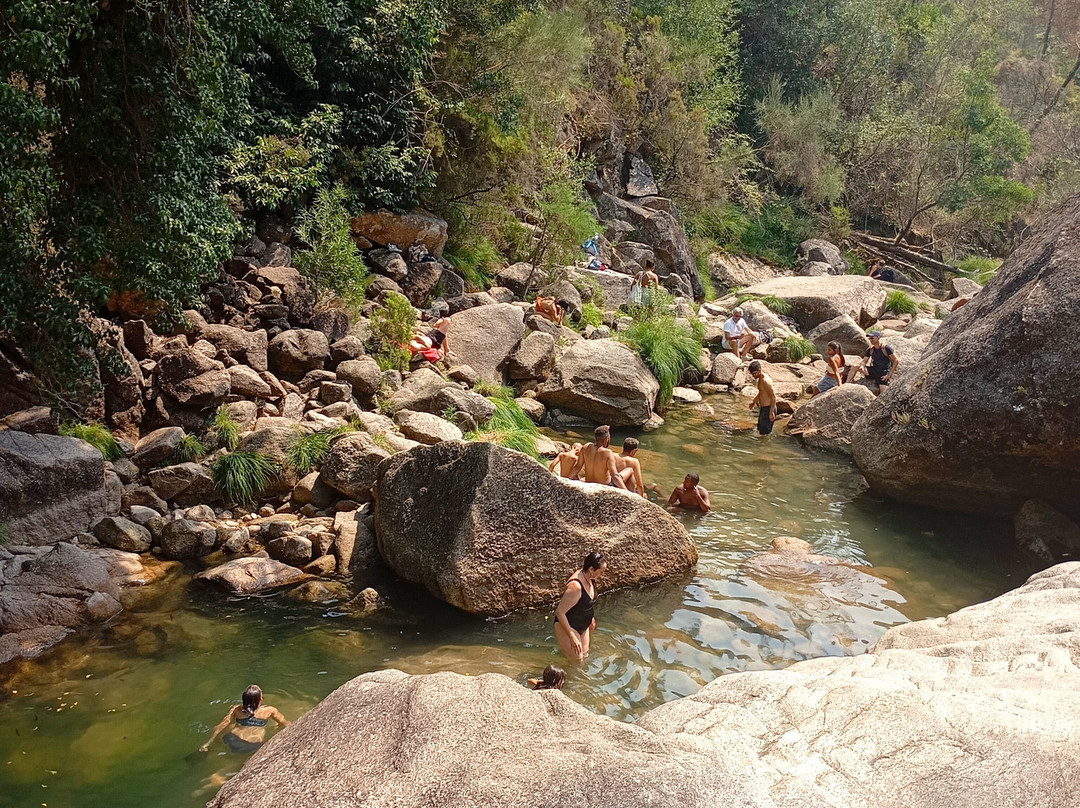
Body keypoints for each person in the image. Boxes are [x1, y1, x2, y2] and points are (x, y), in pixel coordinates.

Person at [200, 685, 289, 754]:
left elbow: (221, 726)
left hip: (231, 740)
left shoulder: (236, 710)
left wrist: (208, 742)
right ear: (261, 699)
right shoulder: (269, 711)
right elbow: (285, 723)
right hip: (252, 744)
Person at [554, 551, 607, 661]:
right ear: (592, 569)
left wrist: (591, 617)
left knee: (585, 656)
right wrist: (571, 636)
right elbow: (560, 612)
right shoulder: (576, 586)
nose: (603, 575)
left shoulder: (590, 578)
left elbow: (586, 602)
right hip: (569, 626)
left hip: (583, 625)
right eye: (601, 572)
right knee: (577, 662)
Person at [748, 360, 777, 435]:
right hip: (764, 409)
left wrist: (771, 413)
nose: (753, 376)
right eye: (752, 374)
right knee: (760, 430)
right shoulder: (760, 378)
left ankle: (766, 446)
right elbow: (761, 392)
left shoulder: (766, 381)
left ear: (759, 370)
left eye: (754, 373)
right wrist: (754, 402)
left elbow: (773, 397)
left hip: (768, 408)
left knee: (765, 434)